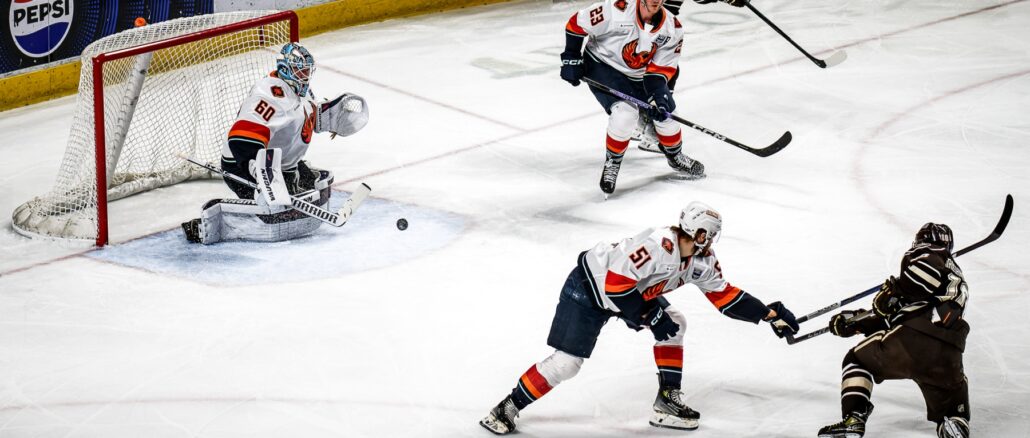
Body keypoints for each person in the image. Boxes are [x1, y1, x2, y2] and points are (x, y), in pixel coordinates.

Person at [479, 201, 800, 434]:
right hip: (591, 287)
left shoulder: (700, 261)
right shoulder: (658, 246)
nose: (711, 241)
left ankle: (666, 399)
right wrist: (650, 315)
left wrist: (768, 314)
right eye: (709, 234)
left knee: (675, 325)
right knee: (567, 364)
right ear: (699, 232)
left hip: (630, 292)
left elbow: (724, 296)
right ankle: (506, 408)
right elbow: (615, 286)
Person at [181, 42, 369, 244]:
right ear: (286, 69)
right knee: (276, 213)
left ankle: (285, 184)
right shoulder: (268, 96)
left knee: (302, 196)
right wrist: (259, 171)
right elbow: (240, 140)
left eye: (307, 71)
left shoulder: (300, 90)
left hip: (283, 165)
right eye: (300, 71)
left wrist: (328, 117)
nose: (305, 76)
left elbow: (304, 117)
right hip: (244, 164)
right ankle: (203, 226)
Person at [818, 223, 971, 438]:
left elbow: (913, 289)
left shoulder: (928, 253)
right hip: (948, 351)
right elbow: (902, 312)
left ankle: (854, 419)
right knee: (952, 403)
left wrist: (895, 293)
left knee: (857, 360)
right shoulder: (952, 275)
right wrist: (858, 322)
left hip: (913, 339)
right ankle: (954, 424)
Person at [560, 0, 704, 195]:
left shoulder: (672, 28)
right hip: (603, 66)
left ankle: (675, 156)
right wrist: (571, 56)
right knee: (625, 115)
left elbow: (658, 72)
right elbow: (577, 23)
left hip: (639, 75)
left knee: (667, 114)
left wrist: (658, 96)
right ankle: (613, 161)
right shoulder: (616, 9)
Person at [634, 0, 745, 153]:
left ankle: (640, 121)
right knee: (661, 71)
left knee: (657, 70)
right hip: (646, 23)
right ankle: (650, 129)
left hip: (646, 20)